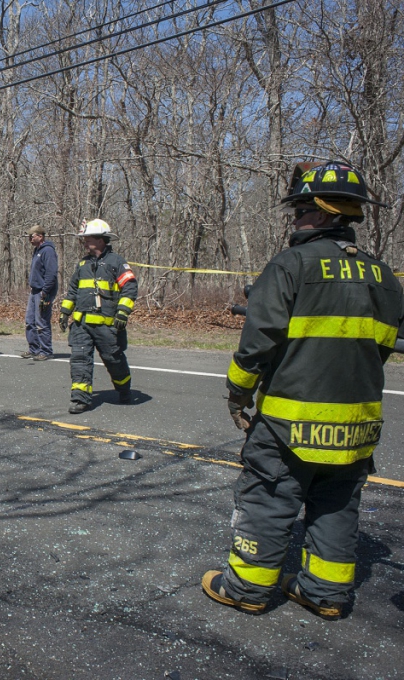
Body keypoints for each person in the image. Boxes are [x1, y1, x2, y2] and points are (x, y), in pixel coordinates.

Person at [202, 160, 403, 619]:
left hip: (289, 425)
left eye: (298, 210)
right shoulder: (382, 275)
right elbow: (384, 346)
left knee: (269, 499)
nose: (294, 219)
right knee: (336, 506)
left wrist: (238, 395)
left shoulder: (291, 266)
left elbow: (256, 346)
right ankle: (324, 594)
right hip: (357, 426)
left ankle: (246, 588)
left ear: (322, 211)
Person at [57, 219, 137, 413]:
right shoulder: (83, 264)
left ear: (101, 239)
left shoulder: (116, 262)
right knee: (79, 359)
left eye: (88, 238)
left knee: (114, 360)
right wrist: (65, 311)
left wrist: (123, 312)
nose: (84, 241)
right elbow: (73, 290)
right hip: (81, 325)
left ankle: (124, 388)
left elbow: (130, 287)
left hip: (107, 325)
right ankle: (80, 399)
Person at [23, 225, 58, 361]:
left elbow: (51, 273)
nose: (30, 239)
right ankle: (34, 349)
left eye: (32, 236)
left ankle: (46, 350)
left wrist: (45, 291)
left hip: (44, 291)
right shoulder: (36, 251)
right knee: (29, 321)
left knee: (41, 321)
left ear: (40, 236)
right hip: (35, 290)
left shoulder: (48, 251)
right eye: (28, 237)